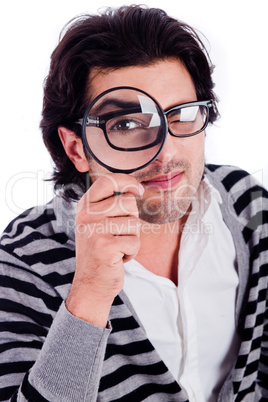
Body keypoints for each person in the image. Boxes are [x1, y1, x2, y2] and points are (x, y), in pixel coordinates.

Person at [0, 5, 267, 402]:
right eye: (126, 124)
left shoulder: (246, 203)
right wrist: (89, 293)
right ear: (77, 149)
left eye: (181, 114)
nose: (166, 152)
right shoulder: (24, 260)